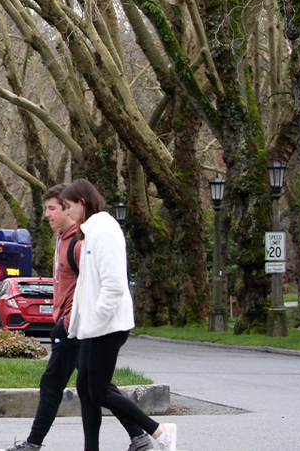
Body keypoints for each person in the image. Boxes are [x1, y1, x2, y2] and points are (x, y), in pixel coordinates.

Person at [0, 184, 145, 451]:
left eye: (53, 208)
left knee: (57, 384)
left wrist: (70, 322)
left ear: (70, 207)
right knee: (93, 389)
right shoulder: (64, 239)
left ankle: (33, 444)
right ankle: (136, 436)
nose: (47, 214)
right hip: (74, 324)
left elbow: (95, 284)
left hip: (77, 326)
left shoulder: (80, 241)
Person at [61, 179, 177, 451]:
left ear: (83, 202)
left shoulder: (105, 231)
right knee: (86, 388)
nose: (67, 212)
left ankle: (158, 431)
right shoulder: (91, 233)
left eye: (69, 206)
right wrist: (78, 325)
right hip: (94, 327)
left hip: (108, 326)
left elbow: (114, 285)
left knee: (99, 389)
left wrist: (97, 319)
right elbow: (86, 288)